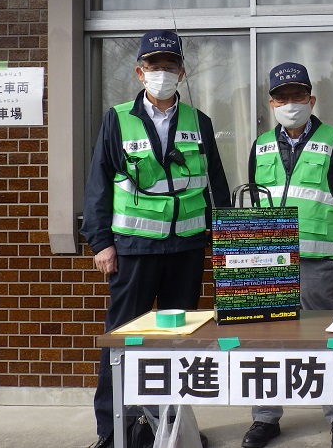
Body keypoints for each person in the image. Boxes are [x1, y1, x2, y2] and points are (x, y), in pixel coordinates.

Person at [81, 30, 232, 448]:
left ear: (182, 73)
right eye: (153, 66)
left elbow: (214, 186)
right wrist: (101, 243)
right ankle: (114, 431)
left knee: (179, 344)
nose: (161, 73)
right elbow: (98, 184)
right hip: (133, 250)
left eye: (169, 66)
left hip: (185, 249)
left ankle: (173, 427)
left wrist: (226, 242)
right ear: (139, 72)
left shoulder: (199, 122)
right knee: (123, 342)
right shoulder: (117, 118)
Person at [241, 62, 333, 448]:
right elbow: (254, 200)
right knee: (265, 340)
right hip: (266, 258)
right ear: (271, 102)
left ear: (311, 99)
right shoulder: (259, 144)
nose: (289, 103)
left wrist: (330, 240)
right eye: (282, 97)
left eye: (297, 96)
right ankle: (265, 418)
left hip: (316, 260)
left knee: (325, 339)